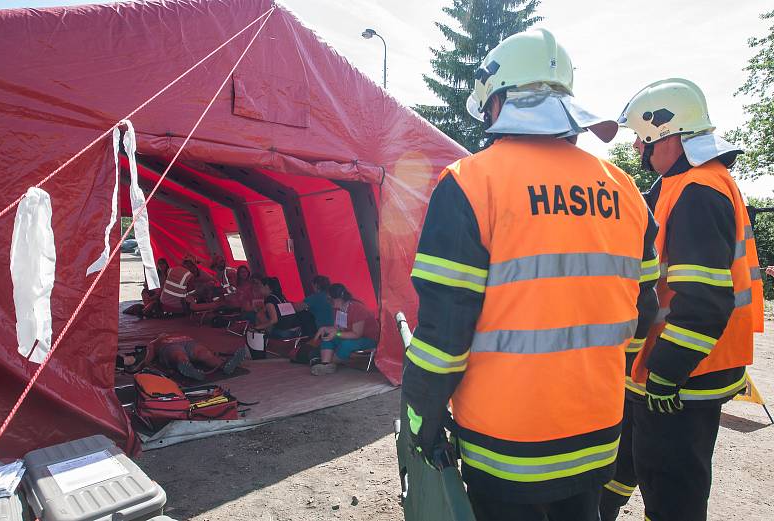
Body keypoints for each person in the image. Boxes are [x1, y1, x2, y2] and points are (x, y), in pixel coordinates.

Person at [400, 28, 660, 520]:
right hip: (597, 434)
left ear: (496, 103)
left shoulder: (470, 183)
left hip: (506, 446)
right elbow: (641, 318)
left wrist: (422, 419)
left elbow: (443, 336)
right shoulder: (625, 190)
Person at [600, 79, 764, 521]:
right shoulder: (685, 183)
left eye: (642, 137)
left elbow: (706, 298)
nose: (637, 147)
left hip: (684, 370)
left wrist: (668, 372)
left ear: (668, 135)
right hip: (666, 362)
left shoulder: (698, 192)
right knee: (629, 456)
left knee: (672, 484)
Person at [310, 283, 379, 375]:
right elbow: (337, 328)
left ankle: (331, 364)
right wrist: (326, 329)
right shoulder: (337, 309)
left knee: (346, 344)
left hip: (369, 339)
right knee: (327, 339)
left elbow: (356, 334)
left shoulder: (357, 308)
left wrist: (336, 334)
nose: (328, 301)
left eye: (330, 299)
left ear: (338, 298)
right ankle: (325, 364)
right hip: (351, 336)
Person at [122, 333, 244, 381]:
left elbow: (147, 357)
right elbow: (147, 356)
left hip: (185, 343)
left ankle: (223, 365)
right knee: (184, 355)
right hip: (175, 345)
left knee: (203, 353)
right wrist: (142, 365)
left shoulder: (160, 340)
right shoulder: (156, 342)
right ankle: (219, 365)